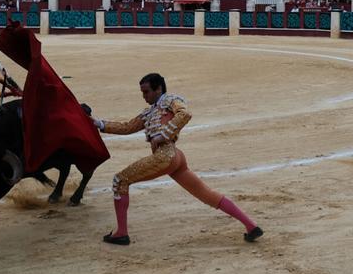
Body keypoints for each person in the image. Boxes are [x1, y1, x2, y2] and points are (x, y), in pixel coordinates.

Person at [92, 73, 262, 245]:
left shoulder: (170, 100)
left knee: (120, 181)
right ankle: (251, 225)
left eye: (147, 92)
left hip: (165, 156)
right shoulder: (150, 111)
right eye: (142, 92)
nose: (144, 96)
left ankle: (121, 233)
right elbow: (128, 127)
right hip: (175, 158)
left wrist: (163, 135)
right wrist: (99, 124)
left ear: (159, 89)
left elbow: (185, 114)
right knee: (206, 194)